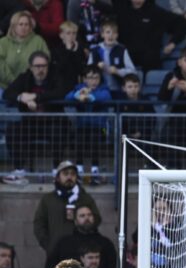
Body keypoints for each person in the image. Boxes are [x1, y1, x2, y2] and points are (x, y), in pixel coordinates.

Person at [2, 51, 70, 181]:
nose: (41, 69)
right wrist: (21, 97)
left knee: (59, 130)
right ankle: (19, 170)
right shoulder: (25, 77)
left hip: (53, 121)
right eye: (37, 66)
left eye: (44, 66)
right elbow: (7, 93)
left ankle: (57, 170)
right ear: (30, 67)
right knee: (13, 130)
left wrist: (36, 97)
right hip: (31, 123)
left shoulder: (55, 76)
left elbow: (61, 92)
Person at [33, 161, 102, 255]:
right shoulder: (48, 199)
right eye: (65, 174)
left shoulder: (85, 198)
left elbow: (96, 218)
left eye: (73, 174)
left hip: (82, 252)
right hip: (56, 252)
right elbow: (39, 224)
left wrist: (84, 221)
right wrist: (49, 245)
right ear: (58, 177)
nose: (69, 177)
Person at [65, 65, 111, 181]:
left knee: (95, 140)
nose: (93, 81)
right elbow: (67, 97)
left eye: (96, 78)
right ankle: (79, 170)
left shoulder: (104, 89)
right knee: (79, 140)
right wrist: (77, 95)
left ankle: (95, 170)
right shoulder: (79, 89)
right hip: (82, 126)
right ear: (84, 79)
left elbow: (105, 97)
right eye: (90, 78)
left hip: (100, 127)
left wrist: (89, 97)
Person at [0, 11, 50, 90]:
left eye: (26, 24)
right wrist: (14, 82)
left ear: (30, 27)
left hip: (31, 86)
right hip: (4, 87)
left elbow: (45, 60)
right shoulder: (3, 42)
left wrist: (25, 82)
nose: (23, 27)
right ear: (13, 26)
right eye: (20, 24)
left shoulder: (38, 41)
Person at [86, 18, 135, 94]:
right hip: (99, 90)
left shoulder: (122, 50)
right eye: (108, 32)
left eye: (114, 33)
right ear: (102, 34)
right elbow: (87, 71)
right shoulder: (95, 50)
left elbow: (133, 72)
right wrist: (96, 67)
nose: (110, 35)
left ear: (117, 35)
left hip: (118, 90)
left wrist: (117, 71)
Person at [50, 20, 84, 89]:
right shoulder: (56, 50)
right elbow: (60, 69)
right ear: (61, 35)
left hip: (76, 84)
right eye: (68, 33)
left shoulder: (79, 49)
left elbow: (81, 69)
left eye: (74, 33)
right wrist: (69, 51)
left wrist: (74, 52)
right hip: (61, 85)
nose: (71, 36)